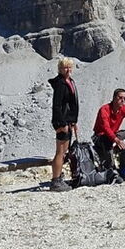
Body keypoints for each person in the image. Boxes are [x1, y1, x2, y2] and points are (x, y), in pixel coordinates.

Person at [48, 59, 79, 191]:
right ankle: (55, 181)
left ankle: (59, 177)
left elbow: (72, 104)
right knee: (60, 152)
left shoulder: (70, 81)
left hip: (68, 122)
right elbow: (57, 105)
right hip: (63, 122)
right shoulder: (61, 84)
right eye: (65, 68)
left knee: (64, 151)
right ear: (60, 69)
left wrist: (73, 122)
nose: (68, 70)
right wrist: (61, 123)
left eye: (69, 67)